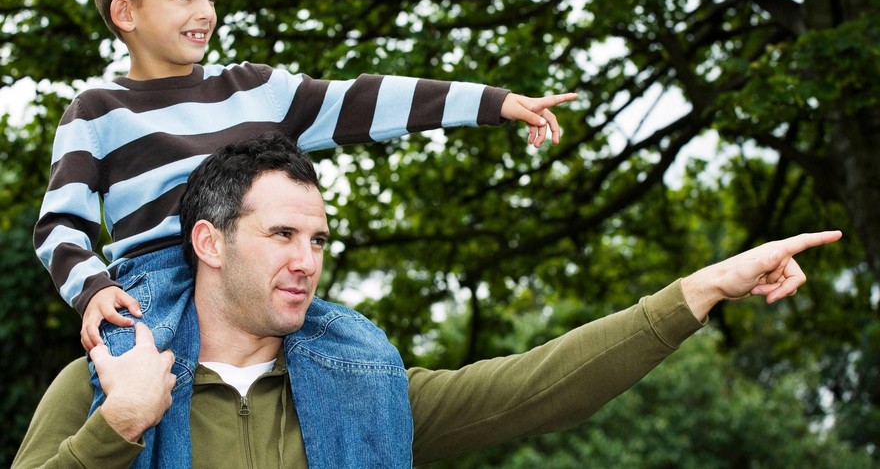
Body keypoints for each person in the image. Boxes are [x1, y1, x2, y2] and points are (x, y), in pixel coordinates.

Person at [31, 0, 576, 468]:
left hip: (256, 276)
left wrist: (492, 103)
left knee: (367, 353)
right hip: (155, 289)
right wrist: (92, 289)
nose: (205, 12)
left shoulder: (254, 90)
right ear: (126, 12)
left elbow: (364, 100)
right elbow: (59, 225)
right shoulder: (97, 112)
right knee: (129, 378)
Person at [15, 133, 843, 468]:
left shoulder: (363, 387)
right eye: (282, 235)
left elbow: (538, 388)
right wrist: (116, 429)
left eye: (319, 240)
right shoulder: (101, 384)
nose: (307, 261)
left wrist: (701, 289)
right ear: (209, 242)